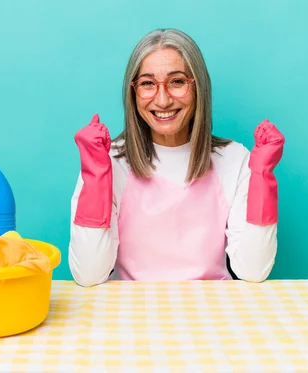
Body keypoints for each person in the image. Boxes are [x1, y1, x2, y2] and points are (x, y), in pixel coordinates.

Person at [68, 28, 285, 287]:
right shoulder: (107, 162)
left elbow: (253, 270)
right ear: (133, 92)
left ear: (198, 87)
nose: (162, 100)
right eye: (148, 84)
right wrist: (96, 179)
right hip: (128, 312)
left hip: (213, 311)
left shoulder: (234, 159)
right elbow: (89, 275)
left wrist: (262, 176)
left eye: (177, 82)